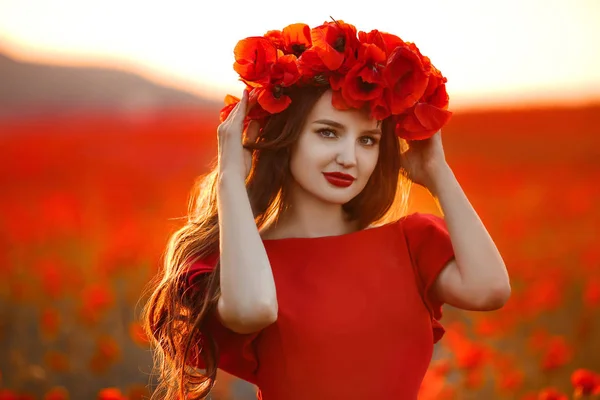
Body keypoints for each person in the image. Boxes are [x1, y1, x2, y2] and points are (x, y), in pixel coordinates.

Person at [142, 20, 511, 400]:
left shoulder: (410, 244)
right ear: (285, 135)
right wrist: (231, 179)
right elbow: (253, 308)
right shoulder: (241, 262)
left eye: (367, 139)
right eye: (328, 132)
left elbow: (491, 290)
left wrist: (438, 174)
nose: (349, 158)